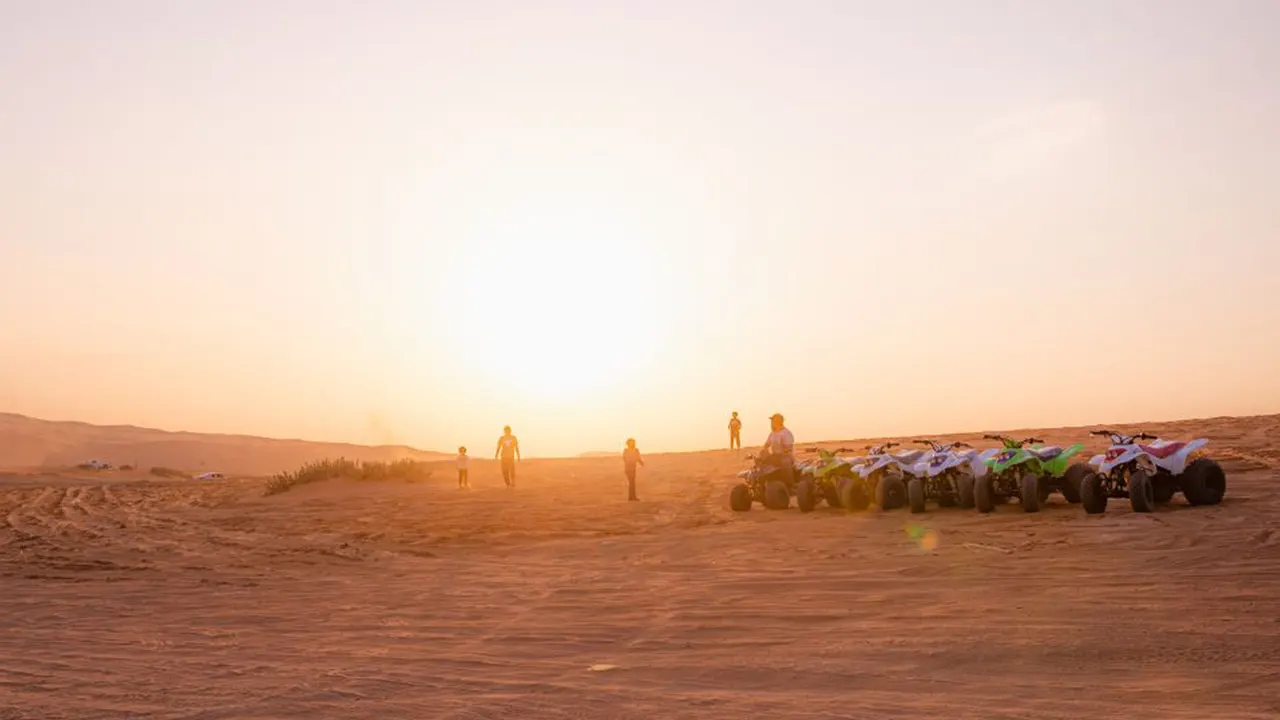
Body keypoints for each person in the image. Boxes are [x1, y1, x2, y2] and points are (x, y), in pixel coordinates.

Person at [760, 413, 795, 483]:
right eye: (771, 421)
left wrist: (778, 455)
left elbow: (788, 449)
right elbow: (766, 445)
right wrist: (764, 451)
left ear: (778, 422)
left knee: (785, 462)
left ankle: (790, 484)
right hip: (775, 456)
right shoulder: (772, 433)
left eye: (772, 421)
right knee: (762, 460)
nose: (771, 423)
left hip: (786, 457)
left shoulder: (786, 433)